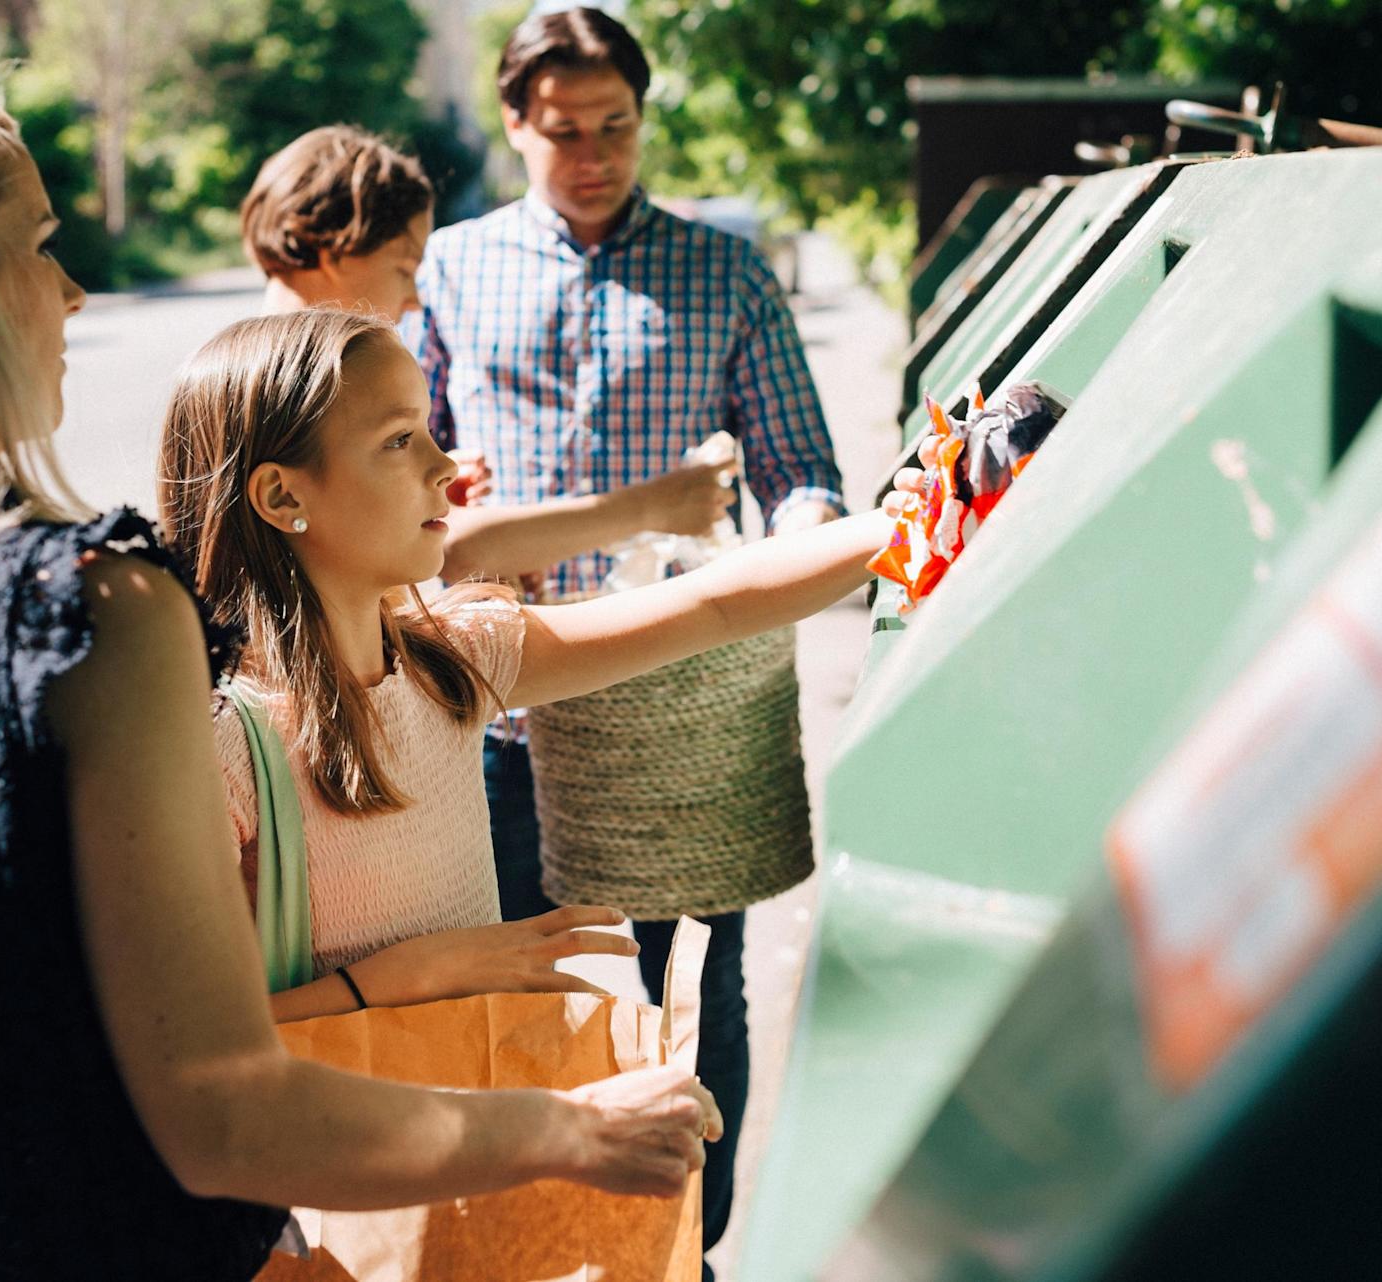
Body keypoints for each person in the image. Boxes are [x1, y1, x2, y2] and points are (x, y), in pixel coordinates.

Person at [0, 75, 723, 1282]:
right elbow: (225, 1115)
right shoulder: (86, 612)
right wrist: (574, 1126)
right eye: (41, 244)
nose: (74, 292)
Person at [404, 8, 847, 1263]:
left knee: (685, 1001)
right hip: (488, 711)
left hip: (671, 717)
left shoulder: (727, 274)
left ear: (644, 120)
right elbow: (397, 471)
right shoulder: (450, 271)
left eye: (616, 127)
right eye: (563, 133)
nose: (593, 155)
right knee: (505, 998)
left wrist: (785, 543)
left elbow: (801, 470)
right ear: (513, 125)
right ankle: (531, 1249)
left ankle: (680, 1249)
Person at [156, 308, 905, 1026]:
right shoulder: (217, 743)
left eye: (428, 431)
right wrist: (404, 981)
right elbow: (175, 1044)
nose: (444, 465)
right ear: (283, 495)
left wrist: (912, 521)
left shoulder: (451, 660)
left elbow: (712, 606)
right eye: (398, 441)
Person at [239, 122, 737, 583]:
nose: (414, 299)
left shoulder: (263, 369)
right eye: (403, 268)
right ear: (332, 245)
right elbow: (458, 550)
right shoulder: (303, 389)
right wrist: (651, 508)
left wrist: (424, 495)